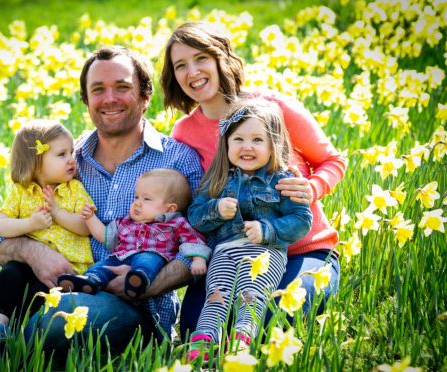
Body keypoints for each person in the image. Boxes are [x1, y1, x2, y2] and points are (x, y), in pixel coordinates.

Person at [0, 46, 202, 370]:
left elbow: (197, 243)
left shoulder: (177, 160)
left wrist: (146, 283)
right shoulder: (65, 157)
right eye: (98, 90)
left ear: (145, 95)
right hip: (38, 289)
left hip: (131, 307)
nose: (109, 98)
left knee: (56, 319)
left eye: (122, 87)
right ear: (86, 100)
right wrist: (33, 252)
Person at [160, 21, 347, 336]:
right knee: (197, 329)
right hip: (231, 253)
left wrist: (311, 189)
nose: (192, 72)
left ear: (222, 58)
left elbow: (332, 160)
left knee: (274, 320)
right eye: (181, 65)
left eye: (200, 58)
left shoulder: (274, 107)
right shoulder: (184, 132)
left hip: (302, 249)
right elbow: (196, 202)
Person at [185, 99, 312, 361]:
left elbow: (301, 220)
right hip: (224, 253)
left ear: (273, 144)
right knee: (215, 296)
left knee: (251, 296)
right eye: (239, 139)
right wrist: (216, 209)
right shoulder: (218, 179)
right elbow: (195, 216)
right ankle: (205, 342)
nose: (247, 147)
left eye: (257, 140)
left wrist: (267, 230)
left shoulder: (284, 178)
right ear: (227, 144)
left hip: (265, 254)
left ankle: (242, 342)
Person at [0, 120, 94, 347]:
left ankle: (16, 338)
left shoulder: (74, 189)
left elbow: (86, 226)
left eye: (71, 152)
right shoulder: (22, 193)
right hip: (28, 267)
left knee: (38, 296)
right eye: (61, 154)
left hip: (68, 271)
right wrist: (31, 223)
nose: (71, 159)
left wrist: (58, 214)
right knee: (9, 276)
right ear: (35, 163)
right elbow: (0, 226)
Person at [59, 168, 210, 303]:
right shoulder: (126, 221)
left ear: (170, 209)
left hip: (152, 255)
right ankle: (89, 281)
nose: (137, 203)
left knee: (147, 260)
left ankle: (138, 278)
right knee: (102, 266)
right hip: (119, 257)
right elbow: (105, 236)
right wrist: (90, 219)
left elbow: (194, 240)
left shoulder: (176, 223)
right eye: (136, 197)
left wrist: (198, 259)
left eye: (146, 199)